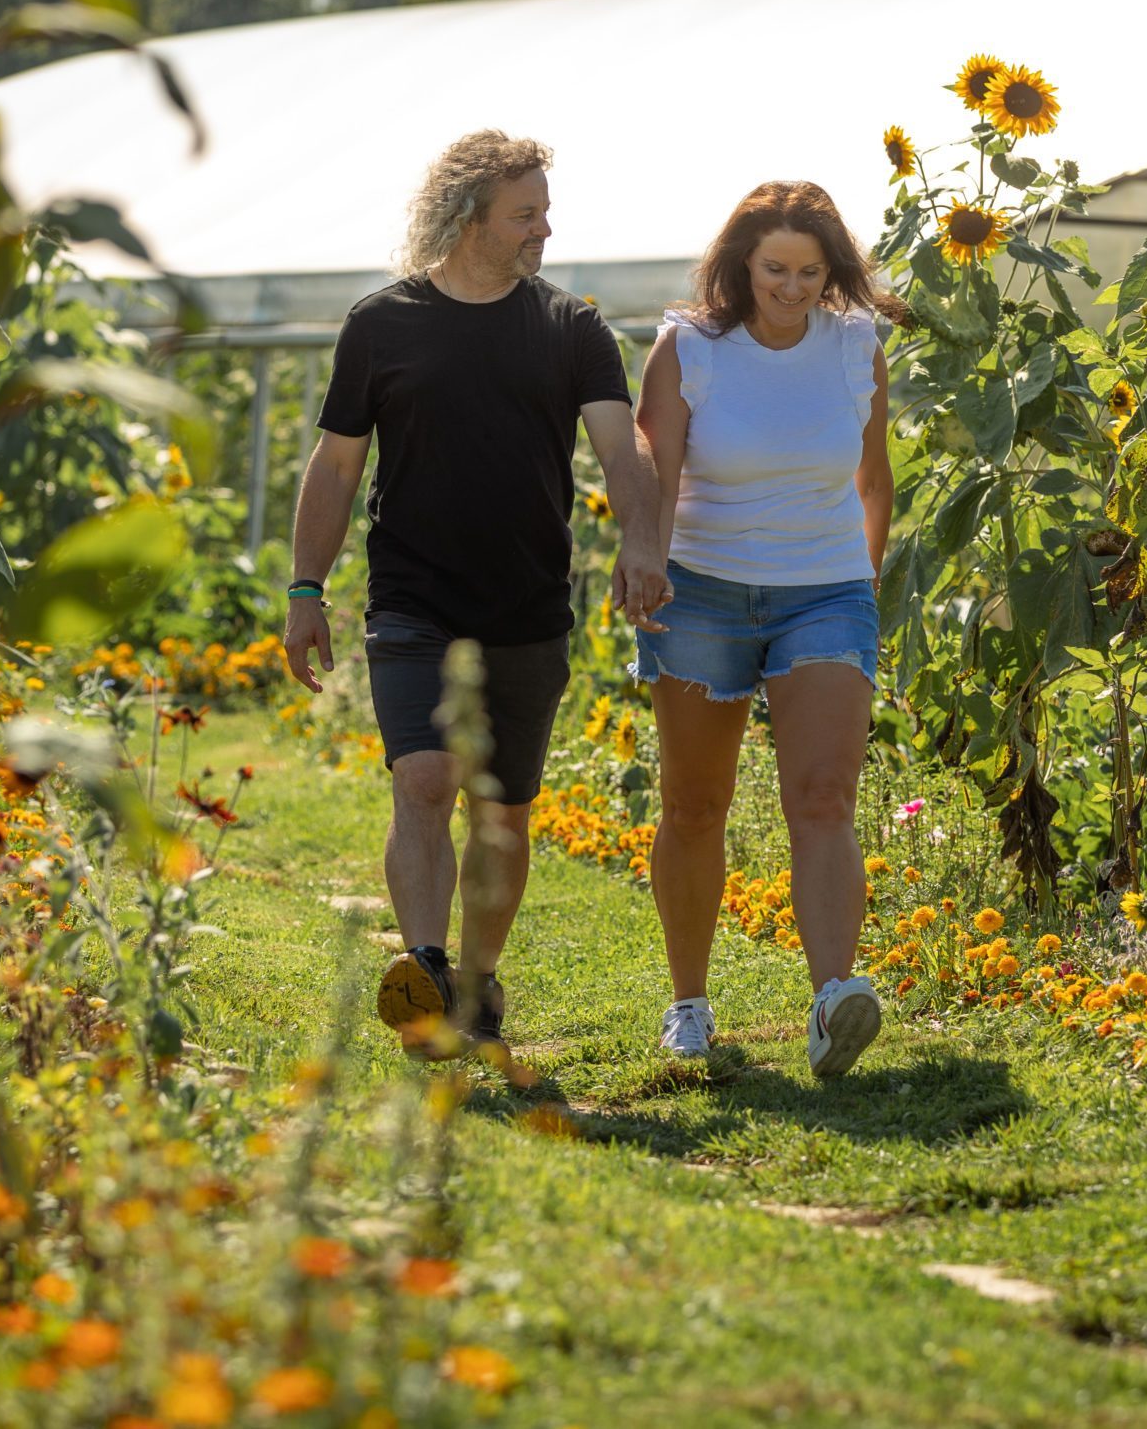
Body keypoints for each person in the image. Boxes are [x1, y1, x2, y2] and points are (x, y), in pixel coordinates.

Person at [284, 130, 667, 1058]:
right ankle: (423, 965)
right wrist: (305, 588)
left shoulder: (572, 329)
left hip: (527, 606)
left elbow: (627, 450)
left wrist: (644, 539)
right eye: (525, 212)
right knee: (423, 778)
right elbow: (336, 469)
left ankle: (480, 979)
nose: (545, 226)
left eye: (543, 208)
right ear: (468, 217)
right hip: (411, 597)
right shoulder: (380, 325)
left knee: (501, 810)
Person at [632, 181, 903, 1078]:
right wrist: (649, 563)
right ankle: (689, 1006)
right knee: (694, 803)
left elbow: (874, 479)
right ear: (740, 264)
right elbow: (656, 476)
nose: (790, 287)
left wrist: (862, 580)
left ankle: (834, 1002)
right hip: (702, 592)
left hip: (824, 591)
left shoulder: (856, 346)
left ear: (834, 272)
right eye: (774, 268)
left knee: (822, 797)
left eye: (809, 271)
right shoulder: (689, 350)